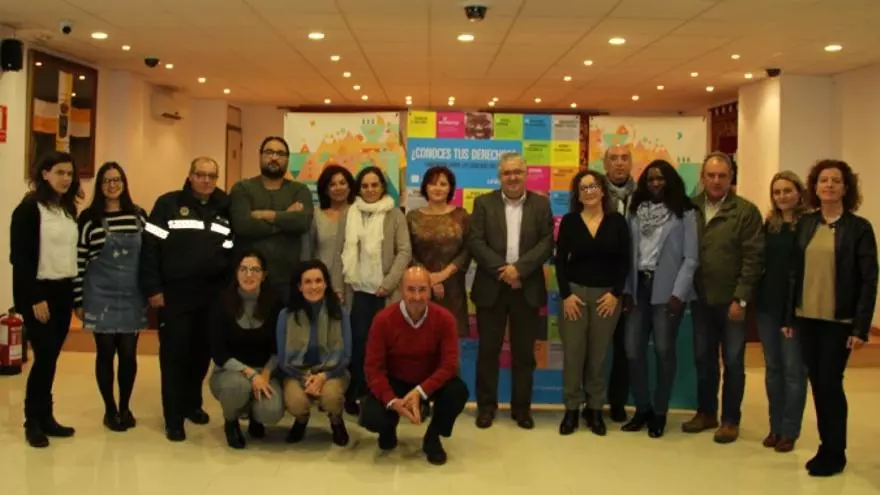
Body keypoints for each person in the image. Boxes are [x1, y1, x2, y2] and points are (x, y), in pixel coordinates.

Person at [786, 160, 877, 477]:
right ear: (815, 187)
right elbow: (793, 275)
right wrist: (789, 316)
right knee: (818, 383)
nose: (829, 185)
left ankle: (835, 452)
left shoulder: (859, 228)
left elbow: (869, 280)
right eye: (823, 180)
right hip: (807, 317)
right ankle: (826, 447)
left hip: (839, 321)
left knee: (830, 384)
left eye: (836, 181)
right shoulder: (806, 224)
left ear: (845, 188)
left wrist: (861, 327)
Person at [141, 156, 234, 442]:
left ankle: (192, 404)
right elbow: (150, 247)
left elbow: (230, 249)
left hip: (211, 295)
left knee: (201, 354)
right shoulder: (168, 204)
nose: (206, 180)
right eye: (201, 174)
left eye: (212, 176)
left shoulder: (224, 206)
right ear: (190, 176)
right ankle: (174, 418)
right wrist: (153, 288)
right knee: (174, 356)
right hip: (175, 294)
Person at [469, 152, 554, 430]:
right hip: (491, 287)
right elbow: (476, 242)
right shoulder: (483, 203)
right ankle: (486, 408)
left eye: (518, 172)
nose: (513, 177)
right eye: (507, 173)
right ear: (499, 176)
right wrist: (504, 271)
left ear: (526, 174)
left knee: (524, 354)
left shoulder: (541, 204)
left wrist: (520, 270)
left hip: (526, 287)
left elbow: (546, 243)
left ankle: (522, 409)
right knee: (488, 352)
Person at [684, 152, 764, 444]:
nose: (716, 181)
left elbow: (754, 258)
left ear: (731, 178)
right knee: (703, 359)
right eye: (711, 175)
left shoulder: (745, 211)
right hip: (700, 299)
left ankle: (730, 419)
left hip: (731, 302)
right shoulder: (690, 208)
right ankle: (706, 413)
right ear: (702, 177)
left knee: (732, 361)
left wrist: (741, 298)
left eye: (722, 176)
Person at [620, 160, 698, 438]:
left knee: (664, 351)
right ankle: (642, 409)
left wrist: (679, 293)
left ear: (670, 180)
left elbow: (691, 257)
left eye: (661, 178)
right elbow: (628, 254)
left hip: (667, 290)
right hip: (638, 287)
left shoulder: (685, 212)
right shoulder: (635, 211)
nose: (655, 183)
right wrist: (627, 290)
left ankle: (660, 412)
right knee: (633, 351)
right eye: (651, 179)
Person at [360, 265, 468, 466]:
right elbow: (373, 369)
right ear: (401, 290)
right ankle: (388, 429)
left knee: (458, 392)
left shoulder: (445, 319)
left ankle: (433, 437)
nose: (417, 297)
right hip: (396, 380)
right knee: (371, 416)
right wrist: (392, 401)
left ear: (430, 290)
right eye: (411, 289)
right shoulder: (383, 320)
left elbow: (449, 365)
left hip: (429, 381)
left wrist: (420, 392)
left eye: (422, 290)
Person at [11, 151, 83, 448]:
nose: (66, 178)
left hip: (63, 291)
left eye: (70, 174)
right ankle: (32, 422)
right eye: (60, 172)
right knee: (43, 357)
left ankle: (46, 416)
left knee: (51, 357)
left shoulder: (67, 209)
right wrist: (35, 298)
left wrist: (75, 296)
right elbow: (20, 259)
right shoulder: (29, 209)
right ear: (44, 174)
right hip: (39, 293)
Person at [74, 162, 148, 432]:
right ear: (100, 185)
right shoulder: (88, 219)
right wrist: (78, 300)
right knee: (105, 353)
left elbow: (151, 254)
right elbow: (79, 261)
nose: (112, 185)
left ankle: (125, 407)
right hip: (99, 295)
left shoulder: (139, 215)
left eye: (117, 180)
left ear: (124, 183)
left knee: (128, 353)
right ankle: (110, 409)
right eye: (107, 181)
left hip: (132, 295)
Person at [555, 170, 630, 436]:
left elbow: (625, 261)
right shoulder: (570, 221)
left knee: (598, 357)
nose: (589, 191)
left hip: (606, 298)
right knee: (573, 356)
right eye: (583, 188)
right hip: (574, 296)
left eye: (593, 186)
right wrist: (566, 295)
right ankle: (571, 409)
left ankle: (595, 409)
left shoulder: (617, 221)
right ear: (577, 195)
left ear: (602, 190)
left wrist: (616, 294)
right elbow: (560, 261)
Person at [341, 166, 411, 414]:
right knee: (358, 346)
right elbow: (343, 252)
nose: (370, 190)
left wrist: (388, 283)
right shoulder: (350, 213)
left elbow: (404, 251)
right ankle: (358, 393)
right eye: (365, 186)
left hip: (385, 293)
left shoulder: (395, 214)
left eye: (375, 185)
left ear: (383, 187)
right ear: (358, 189)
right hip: (357, 292)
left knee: (385, 348)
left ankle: (384, 397)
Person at [208, 250, 285, 449]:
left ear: (264, 275)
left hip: (264, 371)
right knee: (238, 388)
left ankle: (255, 416)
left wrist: (266, 373)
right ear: (236, 272)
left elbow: (280, 347)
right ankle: (231, 420)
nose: (248, 275)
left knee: (272, 411)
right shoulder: (221, 302)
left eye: (255, 270)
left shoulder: (275, 303)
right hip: (230, 371)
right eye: (243, 269)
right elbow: (218, 352)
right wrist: (251, 374)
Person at [755, 171, 809, 453]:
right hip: (767, 306)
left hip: (795, 309)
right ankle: (775, 427)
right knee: (773, 369)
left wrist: (793, 312)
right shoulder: (770, 225)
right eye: (777, 192)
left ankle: (790, 431)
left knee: (794, 372)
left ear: (799, 193)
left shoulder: (809, 225)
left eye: (787, 190)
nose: (782, 196)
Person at [276, 259, 352, 446]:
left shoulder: (340, 313)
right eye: (308, 282)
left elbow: (346, 357)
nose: (314, 286)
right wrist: (305, 379)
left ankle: (336, 420)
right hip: (296, 372)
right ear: (299, 287)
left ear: (326, 284)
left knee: (331, 398)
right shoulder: (286, 315)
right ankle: (301, 420)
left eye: (318, 281)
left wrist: (323, 377)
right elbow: (283, 359)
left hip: (332, 371)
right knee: (296, 402)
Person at [229, 136, 314, 300]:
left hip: (288, 280)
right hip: (249, 279)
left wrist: (266, 215)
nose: (274, 157)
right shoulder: (242, 188)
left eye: (280, 154)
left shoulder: (300, 190)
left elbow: (302, 222)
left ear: (287, 159)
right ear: (260, 156)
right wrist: (285, 216)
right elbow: (243, 225)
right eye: (269, 152)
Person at [407, 166, 471, 336]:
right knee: (420, 339)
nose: (438, 188)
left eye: (443, 184)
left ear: (450, 188)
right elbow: (408, 252)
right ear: (425, 187)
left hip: (453, 288)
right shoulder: (412, 217)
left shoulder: (461, 215)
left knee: (451, 341)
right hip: (419, 289)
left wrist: (443, 275)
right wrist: (429, 279)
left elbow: (467, 249)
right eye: (433, 183)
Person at [600, 144, 636, 422]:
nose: (619, 163)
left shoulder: (643, 195)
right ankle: (591, 402)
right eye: (614, 158)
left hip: (633, 282)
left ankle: (618, 401)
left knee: (625, 347)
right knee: (596, 348)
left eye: (624, 158)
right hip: (599, 282)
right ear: (605, 164)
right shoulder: (595, 194)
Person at [303, 165, 356, 303]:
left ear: (350, 187)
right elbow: (308, 252)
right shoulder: (316, 215)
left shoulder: (358, 213)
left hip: (355, 284)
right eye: (332, 184)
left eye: (342, 183)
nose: (338, 188)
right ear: (325, 189)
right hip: (321, 283)